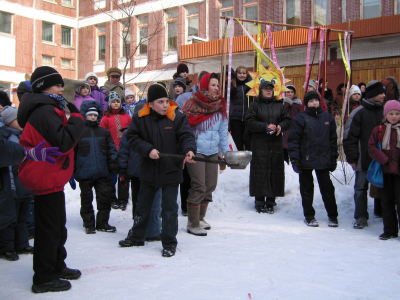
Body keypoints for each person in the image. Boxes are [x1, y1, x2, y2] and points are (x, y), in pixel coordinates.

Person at [17, 66, 84, 293]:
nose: (62, 88)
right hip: (44, 177)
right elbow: (62, 142)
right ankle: (43, 278)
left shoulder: (47, 108)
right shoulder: (44, 111)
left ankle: (56, 266)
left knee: (57, 227)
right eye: (58, 85)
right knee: (49, 230)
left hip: (50, 177)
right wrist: (76, 120)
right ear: (43, 87)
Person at [119, 82, 196, 258]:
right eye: (160, 102)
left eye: (166, 101)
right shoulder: (140, 117)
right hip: (149, 169)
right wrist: (148, 150)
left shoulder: (177, 116)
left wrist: (189, 150)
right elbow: (132, 137)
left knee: (169, 210)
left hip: (171, 170)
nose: (164, 105)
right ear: (150, 104)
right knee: (143, 206)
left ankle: (169, 243)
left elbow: (186, 136)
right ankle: (137, 236)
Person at [181, 73, 231, 236]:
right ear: (204, 85)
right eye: (213, 85)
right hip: (195, 151)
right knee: (199, 186)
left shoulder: (220, 106)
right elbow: (183, 128)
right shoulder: (193, 103)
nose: (216, 88)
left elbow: (223, 135)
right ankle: (192, 223)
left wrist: (228, 153)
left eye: (218, 85)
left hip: (212, 153)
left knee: (210, 185)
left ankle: (201, 218)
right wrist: (186, 149)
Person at [288, 91, 339, 227]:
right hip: (305, 159)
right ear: (306, 104)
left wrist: (333, 157)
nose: (314, 103)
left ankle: (333, 216)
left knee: (327, 189)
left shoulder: (328, 118)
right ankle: (309, 216)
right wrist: (295, 159)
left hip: (323, 158)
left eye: (316, 100)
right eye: (311, 101)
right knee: (307, 189)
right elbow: (293, 140)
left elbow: (333, 140)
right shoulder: (300, 118)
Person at [343, 80, 385, 229]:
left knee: (384, 187)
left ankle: (385, 213)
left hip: (383, 158)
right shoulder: (358, 112)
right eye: (380, 93)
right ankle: (361, 216)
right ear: (373, 94)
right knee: (361, 188)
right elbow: (349, 137)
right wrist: (352, 157)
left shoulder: (386, 111)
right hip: (363, 157)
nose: (383, 95)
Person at [73, 100, 119, 234]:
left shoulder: (104, 132)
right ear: (85, 115)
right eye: (90, 115)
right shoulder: (79, 132)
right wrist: (72, 171)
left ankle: (102, 223)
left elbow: (111, 151)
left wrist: (114, 170)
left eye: (95, 115)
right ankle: (89, 224)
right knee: (86, 200)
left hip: (103, 174)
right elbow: (73, 153)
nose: (93, 117)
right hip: (85, 174)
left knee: (104, 199)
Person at [245, 80, 291, 214]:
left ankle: (271, 200)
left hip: (275, 144)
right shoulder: (254, 105)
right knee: (260, 170)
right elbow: (249, 122)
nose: (269, 91)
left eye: (271, 88)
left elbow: (287, 120)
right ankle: (259, 201)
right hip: (259, 143)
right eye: (266, 89)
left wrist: (280, 126)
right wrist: (264, 126)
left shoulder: (280, 105)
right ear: (260, 91)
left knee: (274, 170)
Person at [118, 103, 162, 241]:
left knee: (155, 202)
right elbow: (123, 153)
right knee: (138, 202)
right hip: (136, 173)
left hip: (153, 172)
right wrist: (123, 171)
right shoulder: (128, 132)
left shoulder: (155, 130)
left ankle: (153, 229)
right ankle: (139, 227)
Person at [0, 107, 34, 260]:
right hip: (12, 184)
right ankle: (7, 248)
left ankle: (21, 243)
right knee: (10, 218)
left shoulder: (24, 135)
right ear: (8, 121)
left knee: (23, 216)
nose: (21, 122)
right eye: (16, 119)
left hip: (25, 184)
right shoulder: (6, 137)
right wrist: (11, 187)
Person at [176, 71, 207, 216]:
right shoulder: (184, 97)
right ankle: (185, 206)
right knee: (186, 176)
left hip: (202, 143)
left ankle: (197, 205)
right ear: (198, 82)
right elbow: (176, 117)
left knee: (200, 178)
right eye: (203, 82)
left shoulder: (212, 99)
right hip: (186, 139)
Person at [368, 100, 400, 240]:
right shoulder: (379, 130)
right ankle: (389, 230)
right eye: (391, 113)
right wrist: (383, 159)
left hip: (399, 172)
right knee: (386, 202)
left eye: (397, 114)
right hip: (384, 172)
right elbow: (371, 147)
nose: (394, 116)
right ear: (385, 114)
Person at [99, 91, 132, 210]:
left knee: (123, 177)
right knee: (111, 177)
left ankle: (123, 200)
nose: (116, 103)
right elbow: (102, 135)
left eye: (118, 101)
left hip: (124, 152)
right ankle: (112, 199)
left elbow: (131, 132)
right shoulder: (105, 118)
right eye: (113, 102)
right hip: (111, 152)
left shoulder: (127, 117)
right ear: (109, 104)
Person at [229, 66, 254, 151]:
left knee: (248, 141)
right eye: (240, 73)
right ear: (236, 74)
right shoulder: (233, 85)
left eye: (244, 73)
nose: (242, 75)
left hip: (247, 118)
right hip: (236, 118)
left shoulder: (250, 86)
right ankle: (238, 161)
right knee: (237, 142)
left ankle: (248, 160)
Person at [282, 84, 302, 164]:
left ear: (294, 93)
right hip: (285, 128)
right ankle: (285, 162)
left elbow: (300, 115)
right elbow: (283, 113)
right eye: (287, 92)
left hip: (294, 127)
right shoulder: (283, 103)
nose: (289, 94)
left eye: (291, 92)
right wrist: (287, 102)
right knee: (284, 145)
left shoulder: (298, 103)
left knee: (293, 145)